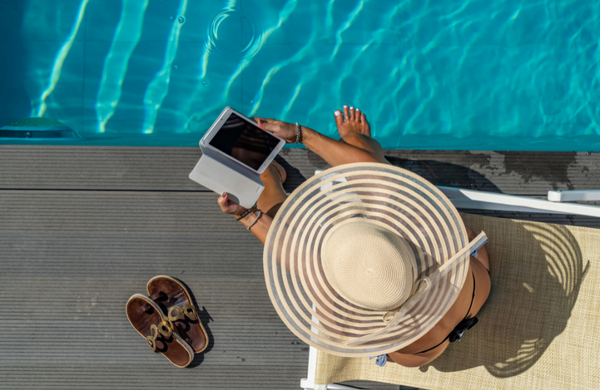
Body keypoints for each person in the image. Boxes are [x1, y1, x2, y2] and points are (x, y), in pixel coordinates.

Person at [217, 106, 491, 367]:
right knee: (375, 168)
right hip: (476, 284)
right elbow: (376, 175)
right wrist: (301, 134)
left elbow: (292, 249)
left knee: (283, 217)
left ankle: (270, 178)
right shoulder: (429, 233)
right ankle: (356, 141)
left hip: (417, 350)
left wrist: (245, 215)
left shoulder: (339, 310)